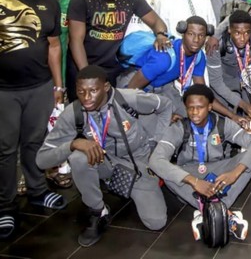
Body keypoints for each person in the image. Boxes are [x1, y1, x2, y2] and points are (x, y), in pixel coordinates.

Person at [36, 66, 171, 246]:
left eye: (93, 90)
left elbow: (165, 105)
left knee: (156, 222)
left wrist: (156, 144)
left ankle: (131, 186)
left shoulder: (128, 98)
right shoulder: (74, 112)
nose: (86, 97)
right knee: (79, 157)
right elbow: (42, 160)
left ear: (106, 87)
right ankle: (98, 211)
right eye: (81, 91)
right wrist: (73, 143)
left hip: (138, 161)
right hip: (103, 160)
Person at [0, 0, 66, 239]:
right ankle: (5, 205)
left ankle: (38, 190)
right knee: (4, 148)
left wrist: (57, 85)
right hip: (4, 90)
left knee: (35, 142)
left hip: (38, 87)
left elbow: (53, 45)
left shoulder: (50, 3)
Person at [149, 84, 251, 241]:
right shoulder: (178, 128)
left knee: (249, 159)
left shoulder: (224, 124)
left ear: (210, 107)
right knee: (168, 172)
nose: (194, 112)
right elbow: (155, 160)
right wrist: (195, 182)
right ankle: (224, 214)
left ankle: (206, 211)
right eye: (190, 108)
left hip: (219, 172)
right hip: (190, 174)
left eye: (200, 107)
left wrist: (234, 174)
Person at [68, 0, 170, 93]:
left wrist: (161, 35)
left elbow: (157, 22)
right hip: (83, 65)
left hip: (113, 69)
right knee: (84, 112)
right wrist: (87, 75)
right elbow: (76, 40)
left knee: (111, 112)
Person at [119, 15, 210, 118]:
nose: (196, 40)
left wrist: (230, 115)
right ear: (183, 33)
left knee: (189, 116)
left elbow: (203, 93)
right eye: (191, 34)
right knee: (158, 123)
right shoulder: (164, 58)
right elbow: (130, 92)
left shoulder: (198, 56)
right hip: (135, 84)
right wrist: (166, 114)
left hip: (162, 86)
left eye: (201, 35)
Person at [207, 10, 251, 125]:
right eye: (237, 33)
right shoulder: (216, 46)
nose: (243, 38)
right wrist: (242, 104)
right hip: (225, 83)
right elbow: (216, 82)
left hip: (250, 84)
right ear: (229, 30)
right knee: (225, 119)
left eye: (247, 33)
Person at [43, 0, 74, 189]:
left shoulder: (70, 3)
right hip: (31, 76)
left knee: (56, 125)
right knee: (31, 128)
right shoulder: (34, 0)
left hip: (60, 76)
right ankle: (28, 173)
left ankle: (54, 168)